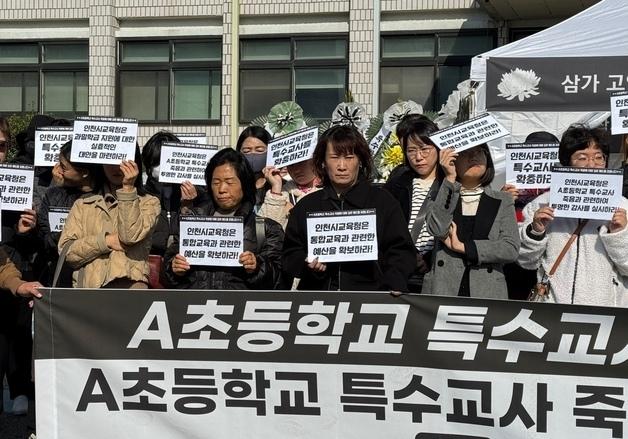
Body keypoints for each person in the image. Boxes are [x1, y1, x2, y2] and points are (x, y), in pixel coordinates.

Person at [282, 125, 416, 292]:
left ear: (360, 160)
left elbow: (401, 252)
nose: (342, 166)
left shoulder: (383, 202)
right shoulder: (307, 206)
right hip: (318, 300)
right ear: (323, 162)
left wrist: (393, 283)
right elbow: (289, 255)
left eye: (349, 157)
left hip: (370, 300)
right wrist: (307, 263)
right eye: (335, 157)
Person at [518, 124, 628, 306]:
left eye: (599, 158)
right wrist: (535, 231)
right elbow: (525, 260)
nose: (592, 165)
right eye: (582, 158)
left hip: (605, 313)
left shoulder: (623, 207)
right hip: (553, 309)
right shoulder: (542, 203)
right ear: (567, 162)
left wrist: (618, 234)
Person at [164, 148, 284, 290]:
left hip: (240, 309)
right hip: (195, 308)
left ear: (244, 184)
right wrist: (174, 268)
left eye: (229, 182)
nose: (222, 189)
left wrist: (257, 266)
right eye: (216, 182)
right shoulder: (191, 220)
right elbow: (167, 272)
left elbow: (279, 280)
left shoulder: (266, 229)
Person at [423, 143, 520, 298]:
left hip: (486, 291)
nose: (474, 157)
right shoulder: (439, 195)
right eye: (466, 152)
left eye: (480, 152)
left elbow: (510, 248)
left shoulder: (503, 199)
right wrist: (449, 178)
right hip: (444, 288)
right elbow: (437, 229)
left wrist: (465, 248)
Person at [58, 147, 161, 289]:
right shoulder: (83, 204)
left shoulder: (149, 202)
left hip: (131, 291)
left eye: (123, 161)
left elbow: (129, 236)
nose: (116, 167)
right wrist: (105, 241)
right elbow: (67, 252)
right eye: (109, 161)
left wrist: (128, 189)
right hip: (90, 294)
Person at [384, 114, 443, 293]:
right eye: (411, 151)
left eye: (425, 149)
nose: (418, 157)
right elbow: (387, 227)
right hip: (401, 272)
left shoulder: (451, 182)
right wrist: (406, 256)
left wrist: (429, 258)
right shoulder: (397, 182)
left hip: (436, 273)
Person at [34, 141, 104, 287]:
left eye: (64, 167)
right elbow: (43, 237)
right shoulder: (53, 195)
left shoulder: (104, 197)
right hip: (58, 275)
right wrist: (67, 238)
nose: (57, 170)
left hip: (96, 277)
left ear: (84, 172)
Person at [501, 131, 560, 300]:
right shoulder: (511, 187)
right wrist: (502, 200)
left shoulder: (561, 187)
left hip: (549, 255)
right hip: (515, 255)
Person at [258, 157, 321, 230]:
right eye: (291, 165)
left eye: (301, 163)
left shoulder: (332, 190)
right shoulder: (282, 194)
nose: (297, 170)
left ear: (316, 162)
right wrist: (276, 187)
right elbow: (263, 231)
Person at [236, 126, 273, 211]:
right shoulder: (234, 185)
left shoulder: (282, 185)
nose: (253, 155)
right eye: (246, 151)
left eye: (259, 150)